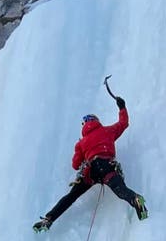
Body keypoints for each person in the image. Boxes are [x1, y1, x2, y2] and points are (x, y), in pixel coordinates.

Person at [33, 94, 149, 232]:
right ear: (96, 121)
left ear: (84, 125)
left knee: (71, 196)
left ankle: (48, 219)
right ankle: (135, 199)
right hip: (108, 166)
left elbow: (75, 165)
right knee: (121, 190)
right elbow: (123, 123)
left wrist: (82, 153)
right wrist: (122, 107)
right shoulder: (108, 131)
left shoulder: (81, 143)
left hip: (91, 171)